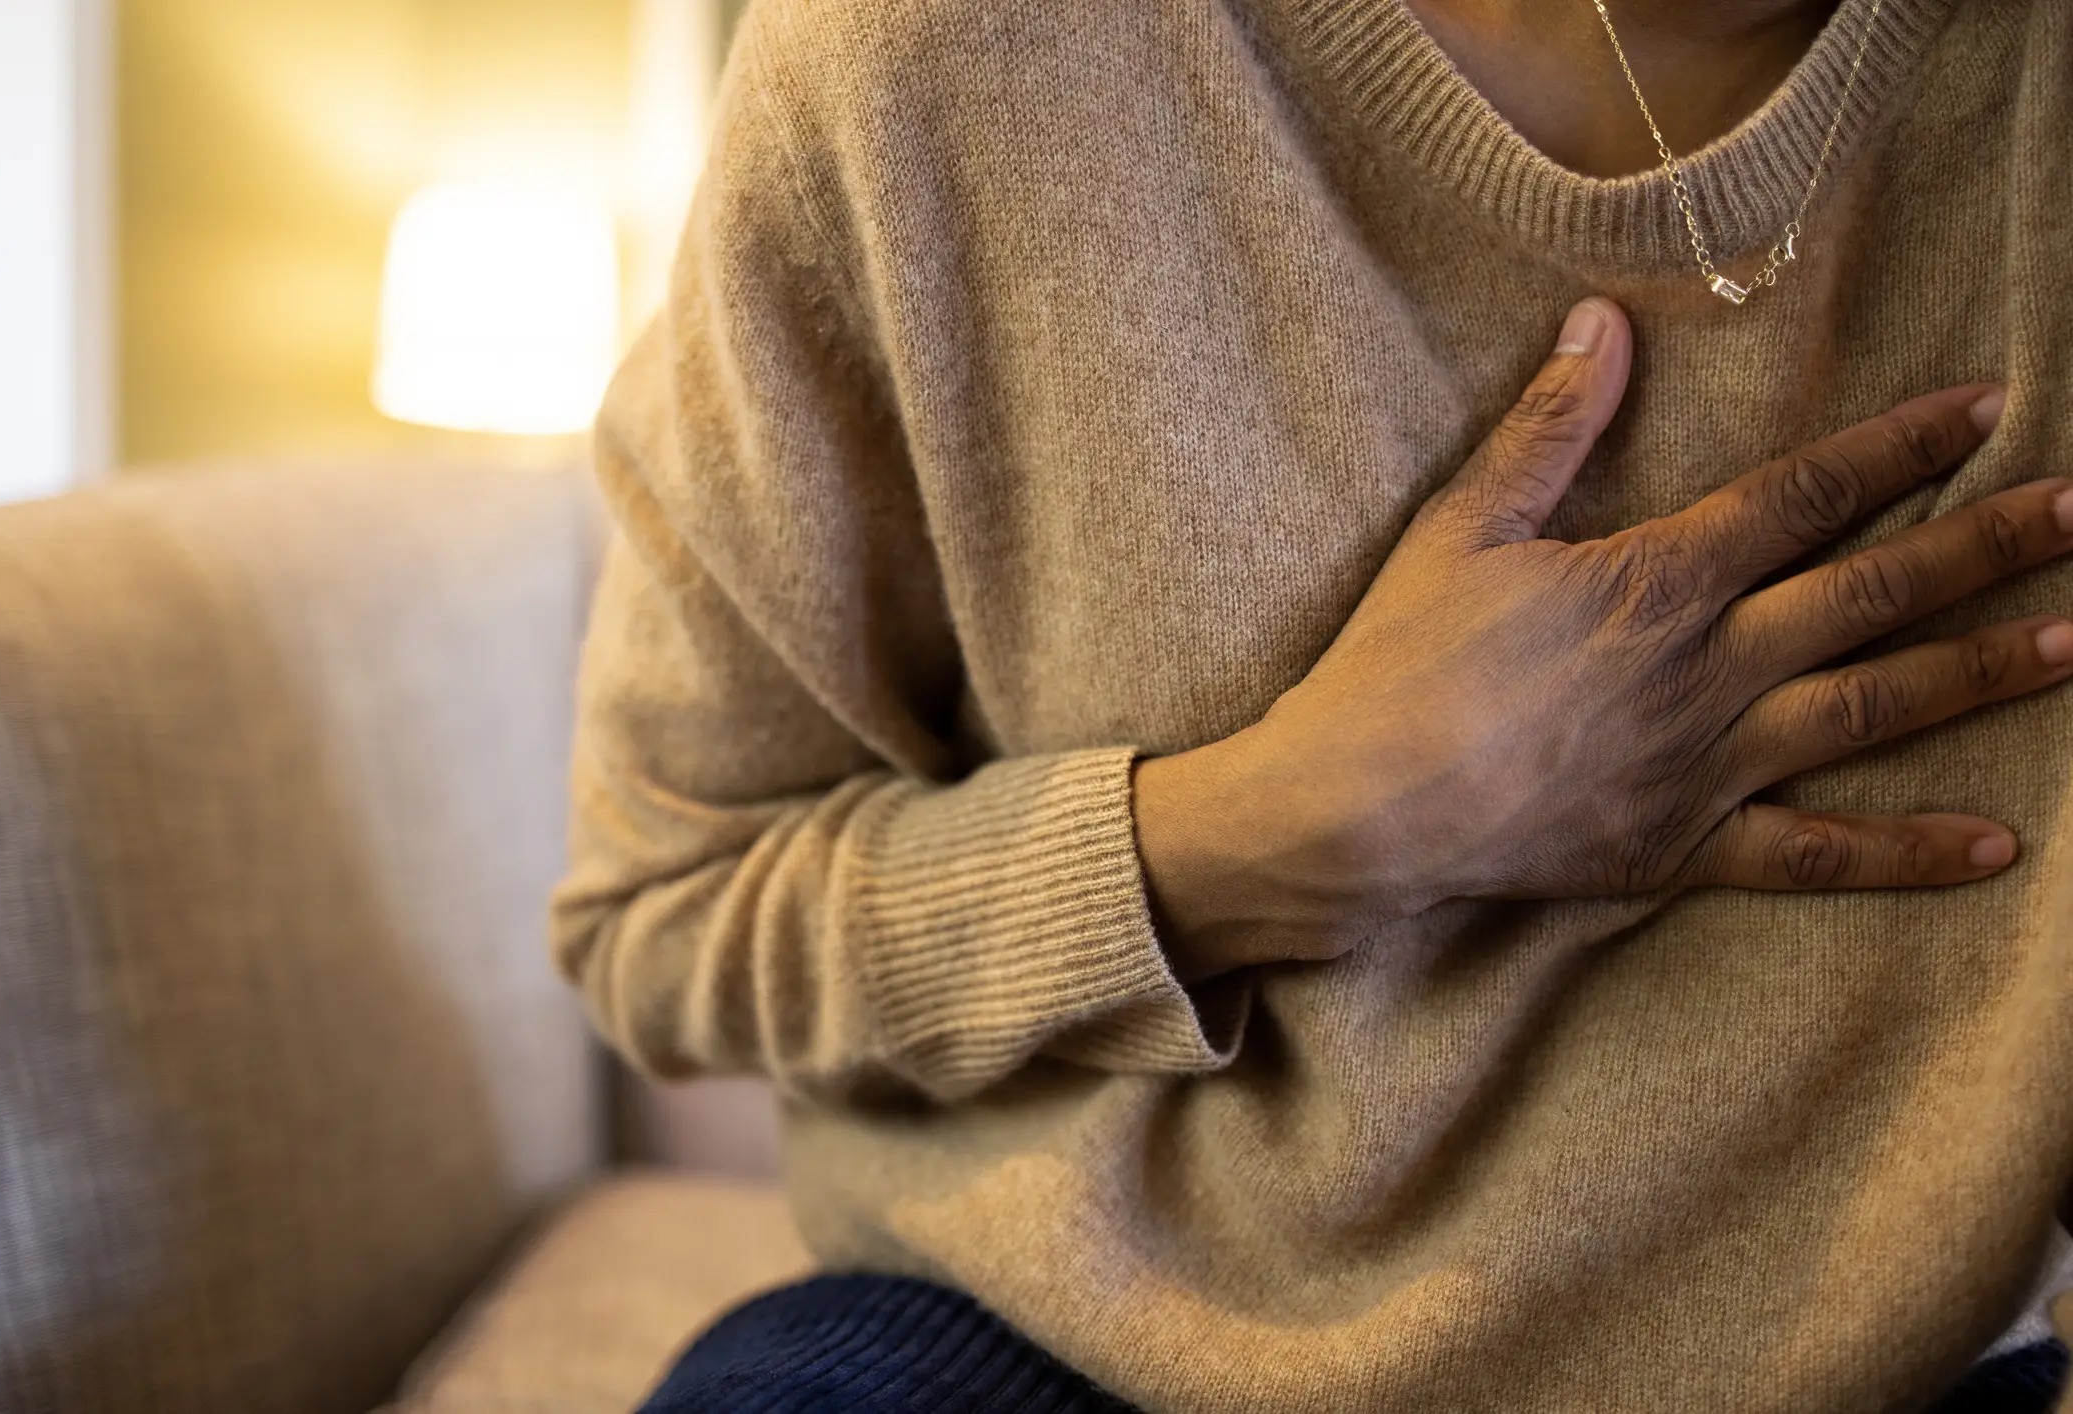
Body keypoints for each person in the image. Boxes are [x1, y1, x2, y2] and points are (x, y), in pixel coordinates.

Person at [547, 0, 2073, 1408]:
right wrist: (1283, 832)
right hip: (1051, 1340)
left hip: (1893, 1364)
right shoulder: (932, 61)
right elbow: (667, 906)